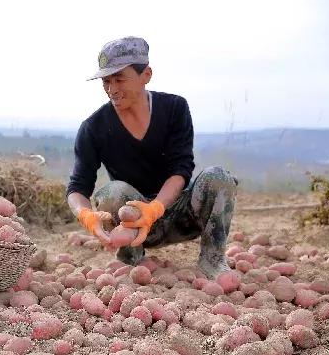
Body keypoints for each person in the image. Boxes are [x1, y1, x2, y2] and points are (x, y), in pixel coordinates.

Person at [66, 37, 238, 279]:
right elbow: (77, 187)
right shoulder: (93, 127)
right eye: (106, 81)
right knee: (112, 192)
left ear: (146, 74)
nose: (112, 90)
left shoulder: (174, 108)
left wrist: (156, 208)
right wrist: (85, 214)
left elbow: (181, 168)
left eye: (119, 79)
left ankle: (213, 260)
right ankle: (131, 259)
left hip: (182, 214)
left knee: (219, 177)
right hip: (133, 221)